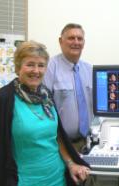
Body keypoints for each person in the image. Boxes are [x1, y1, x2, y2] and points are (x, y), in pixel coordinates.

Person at [0, 41, 90, 186]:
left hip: (57, 181)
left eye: (41, 65)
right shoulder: (3, 100)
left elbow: (57, 136)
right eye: (30, 64)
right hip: (24, 183)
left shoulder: (46, 96)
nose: (36, 70)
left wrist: (71, 164)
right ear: (18, 67)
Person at [43, 23, 93, 151]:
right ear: (61, 41)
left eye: (79, 38)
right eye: (71, 38)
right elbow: (43, 108)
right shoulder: (49, 68)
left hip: (88, 142)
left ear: (84, 43)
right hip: (60, 144)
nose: (76, 42)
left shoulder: (89, 69)